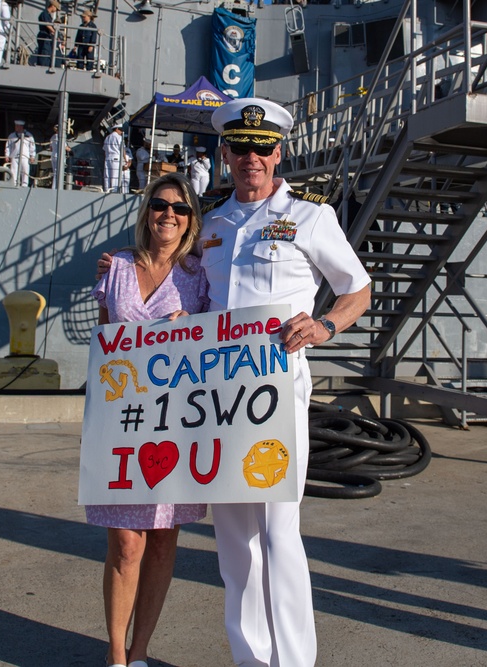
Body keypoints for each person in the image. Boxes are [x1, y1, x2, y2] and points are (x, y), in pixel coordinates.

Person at [203, 97, 371, 667]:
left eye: (263, 147)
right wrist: (123, 268)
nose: (253, 157)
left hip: (276, 392)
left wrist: (324, 324)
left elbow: (357, 289)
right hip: (216, 395)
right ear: (225, 153)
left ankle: (294, 663)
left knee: (278, 531)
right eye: (241, 147)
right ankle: (249, 659)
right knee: (233, 541)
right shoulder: (210, 224)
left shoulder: (310, 217)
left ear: (280, 152)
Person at [89, 172, 210, 667]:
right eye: (161, 205)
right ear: (147, 212)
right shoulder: (115, 266)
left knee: (162, 540)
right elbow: (103, 341)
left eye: (180, 210)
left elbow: (213, 345)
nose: (169, 215)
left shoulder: (199, 276)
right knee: (125, 543)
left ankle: (140, 653)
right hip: (122, 421)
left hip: (176, 424)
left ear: (191, 220)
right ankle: (116, 655)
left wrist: (194, 329)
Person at [5, 119, 36, 187]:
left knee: (25, 171)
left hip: (25, 156)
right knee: (13, 171)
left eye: (17, 126)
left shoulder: (29, 136)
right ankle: (13, 184)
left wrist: (32, 156)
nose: (16, 127)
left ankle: (24, 185)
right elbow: (8, 146)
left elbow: (32, 147)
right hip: (14, 156)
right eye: (15, 126)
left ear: (21, 127)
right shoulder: (12, 135)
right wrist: (7, 155)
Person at [34, 0, 59, 66]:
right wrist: (54, 31)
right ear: (53, 6)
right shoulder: (45, 14)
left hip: (47, 36)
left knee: (47, 52)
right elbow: (47, 24)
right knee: (44, 52)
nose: (56, 10)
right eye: (56, 8)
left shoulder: (48, 15)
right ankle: (43, 66)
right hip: (44, 35)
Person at [103, 123, 125, 193]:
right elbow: (122, 149)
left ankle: (106, 190)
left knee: (107, 176)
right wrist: (126, 160)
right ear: (117, 129)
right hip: (116, 158)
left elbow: (104, 149)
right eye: (121, 130)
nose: (121, 132)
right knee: (115, 177)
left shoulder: (107, 137)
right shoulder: (119, 137)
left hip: (107, 157)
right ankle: (114, 192)